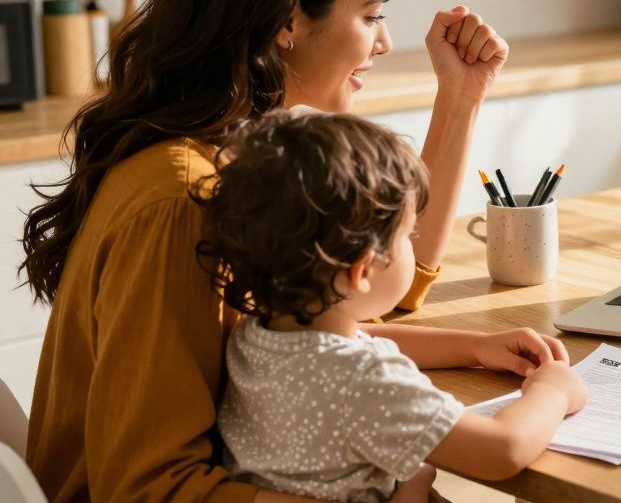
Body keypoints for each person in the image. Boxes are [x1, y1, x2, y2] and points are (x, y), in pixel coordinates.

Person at [19, 0, 558, 502]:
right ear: (288, 20)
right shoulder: (182, 197)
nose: (384, 43)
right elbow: (150, 488)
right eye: (371, 14)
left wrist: (461, 98)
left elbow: (360, 297)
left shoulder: (243, 160)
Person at [199, 111, 587, 501]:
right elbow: (501, 450)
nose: (413, 245)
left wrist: (476, 348)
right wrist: (552, 392)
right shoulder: (364, 382)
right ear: (361, 270)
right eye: (408, 235)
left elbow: (364, 338)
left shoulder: (256, 335)